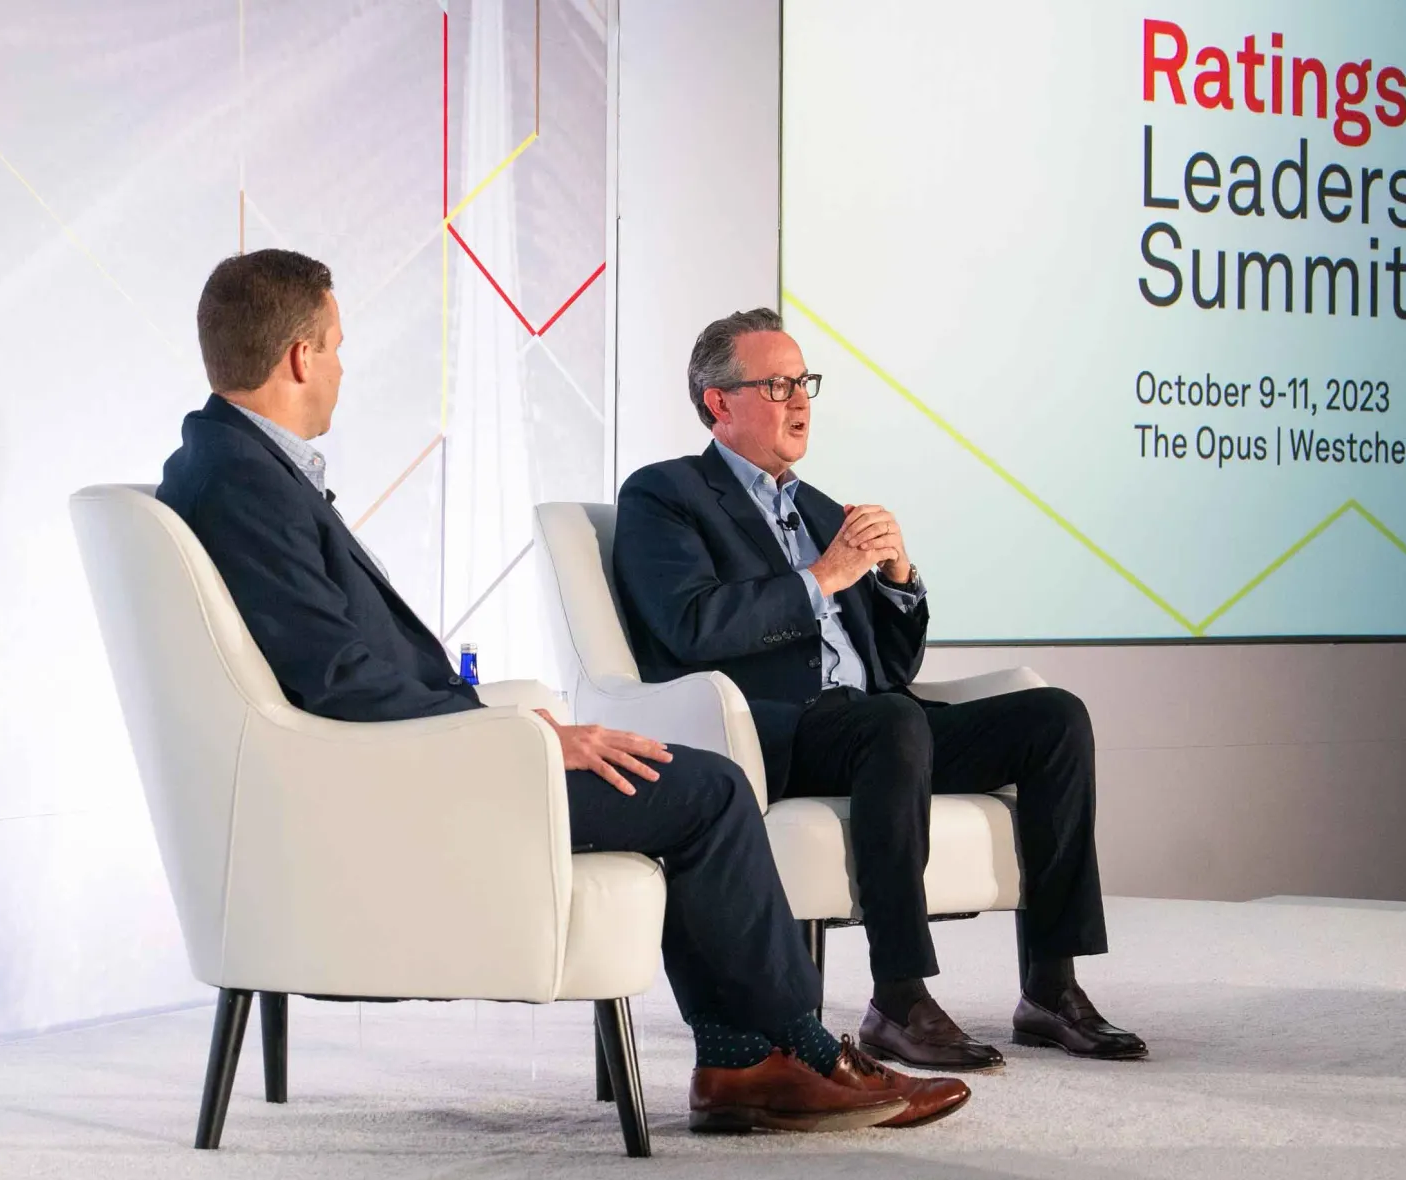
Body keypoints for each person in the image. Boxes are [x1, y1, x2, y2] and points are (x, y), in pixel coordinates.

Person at [153, 250, 971, 1133]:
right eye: (338, 346)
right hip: (409, 773)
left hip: (423, 752)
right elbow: (340, 680)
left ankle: (745, 1063)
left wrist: (502, 720)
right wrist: (522, 738)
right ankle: (788, 1055)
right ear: (300, 356)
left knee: (693, 782)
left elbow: (334, 666)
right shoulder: (244, 482)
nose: (344, 367)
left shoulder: (230, 465)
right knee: (707, 790)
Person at [611, 307, 1148, 1071]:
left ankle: (1051, 988)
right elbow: (691, 625)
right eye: (778, 385)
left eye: (805, 382)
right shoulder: (666, 495)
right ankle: (898, 995)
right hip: (770, 729)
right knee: (891, 722)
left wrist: (899, 577)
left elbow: (893, 667)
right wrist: (821, 577)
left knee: (1054, 718)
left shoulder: (821, 509)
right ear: (718, 402)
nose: (800, 401)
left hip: (876, 722)